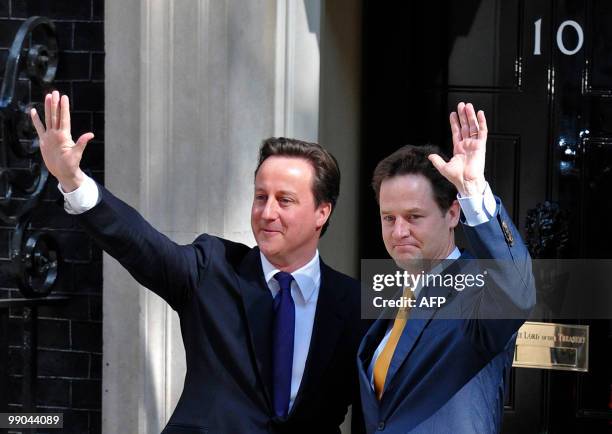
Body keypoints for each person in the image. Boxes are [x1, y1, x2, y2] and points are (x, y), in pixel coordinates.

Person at [31, 91, 368, 434]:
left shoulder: (355, 301)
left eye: (285, 201)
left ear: (321, 213)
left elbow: (388, 401)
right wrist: (74, 182)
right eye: (261, 197)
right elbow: (141, 244)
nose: (267, 213)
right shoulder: (213, 267)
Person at [357, 103, 536, 433]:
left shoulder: (476, 287)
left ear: (453, 214)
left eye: (414, 217)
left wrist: (472, 190)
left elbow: (518, 292)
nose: (399, 231)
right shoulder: (393, 297)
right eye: (389, 218)